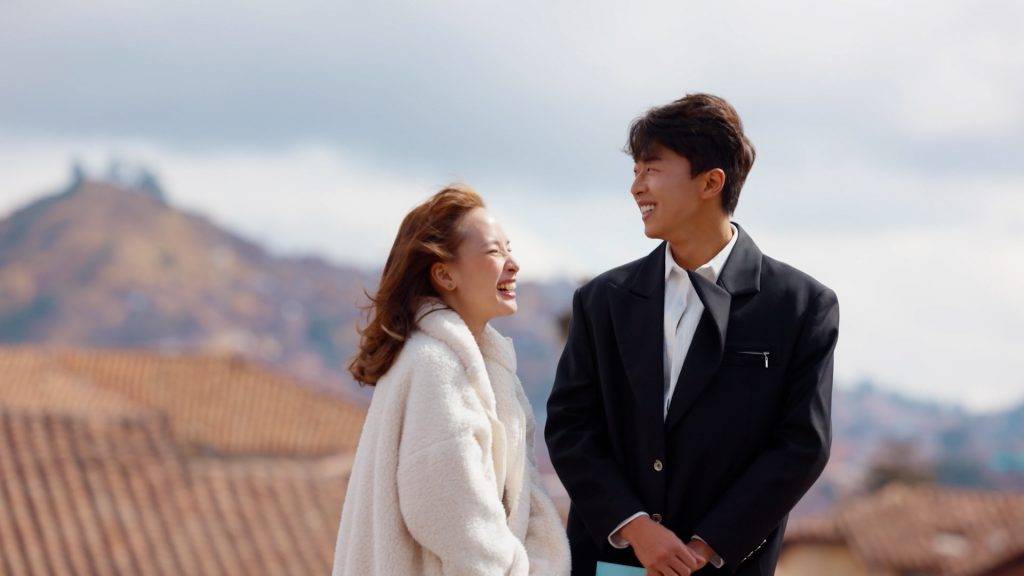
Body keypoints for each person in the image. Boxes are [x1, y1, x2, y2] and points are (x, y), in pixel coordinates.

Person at [545, 93, 840, 575]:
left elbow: (802, 445)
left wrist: (704, 548)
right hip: (612, 562)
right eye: (635, 171)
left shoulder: (802, 306)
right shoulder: (602, 300)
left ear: (710, 182)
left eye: (651, 169)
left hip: (722, 567)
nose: (636, 187)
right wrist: (636, 528)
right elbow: (569, 425)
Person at [332, 185, 570, 576]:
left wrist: (544, 566)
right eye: (494, 252)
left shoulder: (493, 375)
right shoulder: (434, 366)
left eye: (509, 249)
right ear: (444, 274)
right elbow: (456, 516)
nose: (513, 264)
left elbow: (528, 500)